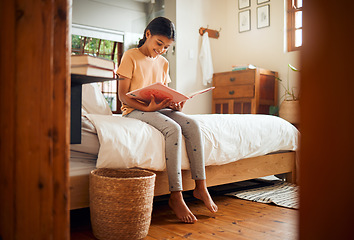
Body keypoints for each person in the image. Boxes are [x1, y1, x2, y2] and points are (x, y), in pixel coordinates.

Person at [116, 16, 218, 223]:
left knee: (193, 125)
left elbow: (162, 92)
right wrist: (148, 107)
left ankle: (200, 187)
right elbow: (123, 96)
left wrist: (174, 104)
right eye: (159, 44)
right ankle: (176, 196)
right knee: (173, 129)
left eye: (166, 46)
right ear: (148, 35)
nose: (161, 50)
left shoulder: (163, 63)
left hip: (157, 108)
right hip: (134, 109)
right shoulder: (130, 56)